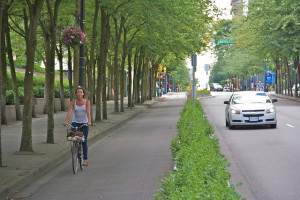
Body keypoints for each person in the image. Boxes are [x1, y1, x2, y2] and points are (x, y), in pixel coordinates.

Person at [63, 87, 91, 166]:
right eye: (77, 92)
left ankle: (85, 159)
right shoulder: (73, 102)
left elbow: (88, 112)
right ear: (75, 94)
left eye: (80, 92)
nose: (79, 94)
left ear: (83, 94)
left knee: (83, 141)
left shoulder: (87, 102)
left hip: (84, 123)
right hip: (75, 122)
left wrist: (89, 121)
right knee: (74, 137)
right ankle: (74, 146)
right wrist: (66, 121)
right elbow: (69, 112)